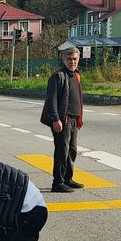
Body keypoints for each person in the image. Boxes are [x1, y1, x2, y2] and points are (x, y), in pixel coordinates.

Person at [41, 47, 84, 193]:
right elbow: (51, 100)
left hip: (73, 120)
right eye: (69, 59)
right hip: (62, 120)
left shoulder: (76, 75)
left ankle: (67, 179)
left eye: (75, 59)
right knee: (62, 151)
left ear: (78, 60)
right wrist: (55, 119)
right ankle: (57, 182)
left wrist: (79, 119)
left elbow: (78, 98)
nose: (72, 62)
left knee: (72, 151)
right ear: (64, 60)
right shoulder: (57, 76)